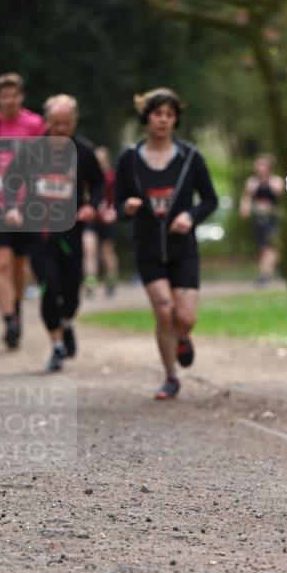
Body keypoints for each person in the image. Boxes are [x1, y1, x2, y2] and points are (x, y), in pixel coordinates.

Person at [115, 87, 218, 399]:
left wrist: (190, 216)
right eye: (157, 114)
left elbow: (210, 199)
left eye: (169, 115)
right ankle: (171, 377)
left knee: (184, 317)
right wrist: (127, 207)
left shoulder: (190, 157)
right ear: (147, 117)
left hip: (182, 249)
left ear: (176, 120)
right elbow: (117, 204)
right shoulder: (129, 159)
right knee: (164, 313)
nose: (163, 120)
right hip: (147, 248)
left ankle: (182, 337)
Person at [5, 94, 106, 372]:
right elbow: (12, 179)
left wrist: (91, 206)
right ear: (47, 121)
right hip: (39, 233)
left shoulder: (83, 151)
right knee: (49, 286)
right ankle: (57, 345)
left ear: (74, 122)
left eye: (67, 123)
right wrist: (12, 207)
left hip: (71, 234)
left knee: (71, 293)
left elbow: (99, 184)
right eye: (57, 122)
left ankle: (67, 321)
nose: (62, 128)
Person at [0, 72, 46, 349]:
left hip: (25, 203)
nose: (9, 101)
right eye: (4, 96)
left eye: (14, 95)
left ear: (21, 96)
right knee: (0, 262)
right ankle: (9, 321)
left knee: (18, 264)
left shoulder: (34, 124)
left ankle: (15, 309)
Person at [239, 154, 284, 285]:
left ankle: (264, 275)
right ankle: (278, 268)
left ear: (269, 167)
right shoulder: (252, 182)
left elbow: (282, 197)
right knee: (263, 247)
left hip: (273, 219)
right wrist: (244, 209)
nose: (258, 167)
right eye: (257, 164)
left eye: (262, 164)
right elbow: (246, 198)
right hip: (259, 219)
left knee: (270, 246)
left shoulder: (276, 181)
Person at [82, 146, 119, 297]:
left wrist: (113, 211)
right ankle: (90, 281)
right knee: (88, 249)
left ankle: (111, 279)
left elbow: (117, 198)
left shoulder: (112, 177)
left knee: (106, 250)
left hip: (106, 219)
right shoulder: (88, 177)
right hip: (91, 218)